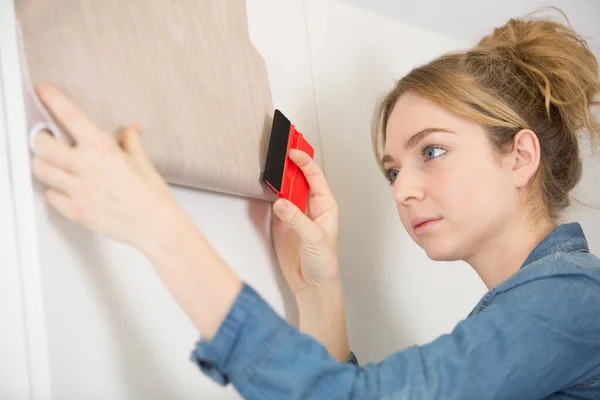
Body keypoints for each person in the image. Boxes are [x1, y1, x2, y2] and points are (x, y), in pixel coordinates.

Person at [29, 10, 600, 400]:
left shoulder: (573, 300)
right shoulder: (536, 310)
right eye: (393, 171)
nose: (402, 190)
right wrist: (317, 292)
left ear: (520, 156)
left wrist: (161, 229)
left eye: (432, 151)